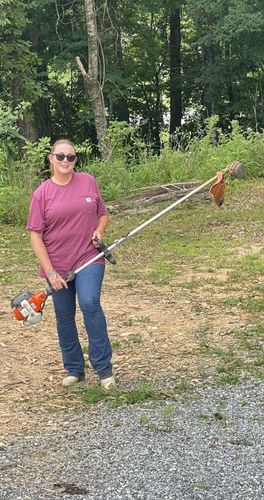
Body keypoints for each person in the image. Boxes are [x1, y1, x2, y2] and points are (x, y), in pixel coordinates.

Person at [26, 139, 116, 391]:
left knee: (89, 303)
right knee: (64, 316)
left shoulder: (88, 181)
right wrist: (51, 272)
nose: (66, 161)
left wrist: (99, 230)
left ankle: (104, 369)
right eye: (60, 157)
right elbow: (35, 235)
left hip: (89, 257)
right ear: (51, 159)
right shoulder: (41, 194)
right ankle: (74, 369)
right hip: (57, 265)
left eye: (71, 157)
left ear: (76, 160)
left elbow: (103, 213)